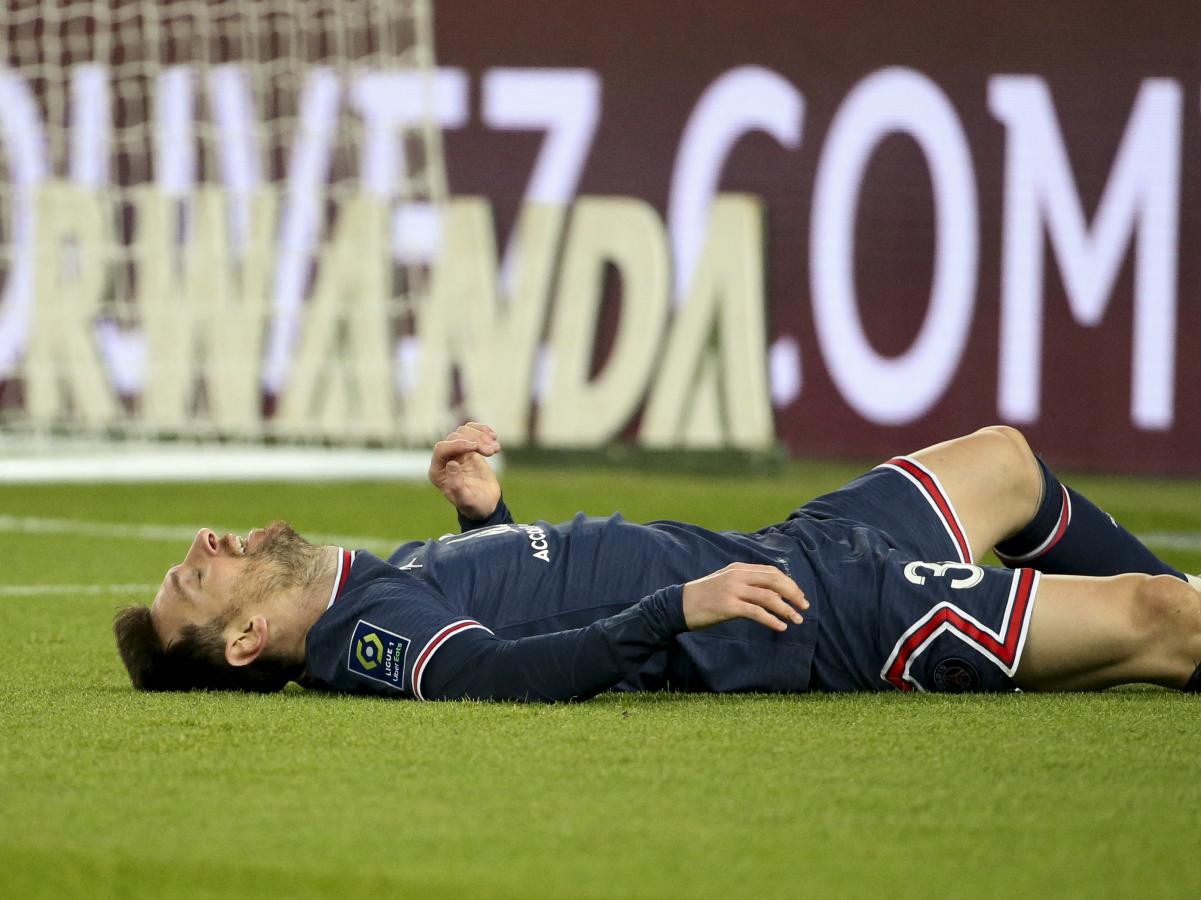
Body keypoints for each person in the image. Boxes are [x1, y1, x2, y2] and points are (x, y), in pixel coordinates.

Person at [114, 423, 1201, 700]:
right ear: (247, 641)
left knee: (1007, 465)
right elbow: (497, 675)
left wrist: (486, 518)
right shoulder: (366, 638)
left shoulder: (374, 584)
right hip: (808, 613)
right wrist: (678, 606)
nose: (207, 544)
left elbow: (521, 598)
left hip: (784, 546)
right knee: (1159, 619)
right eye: (195, 577)